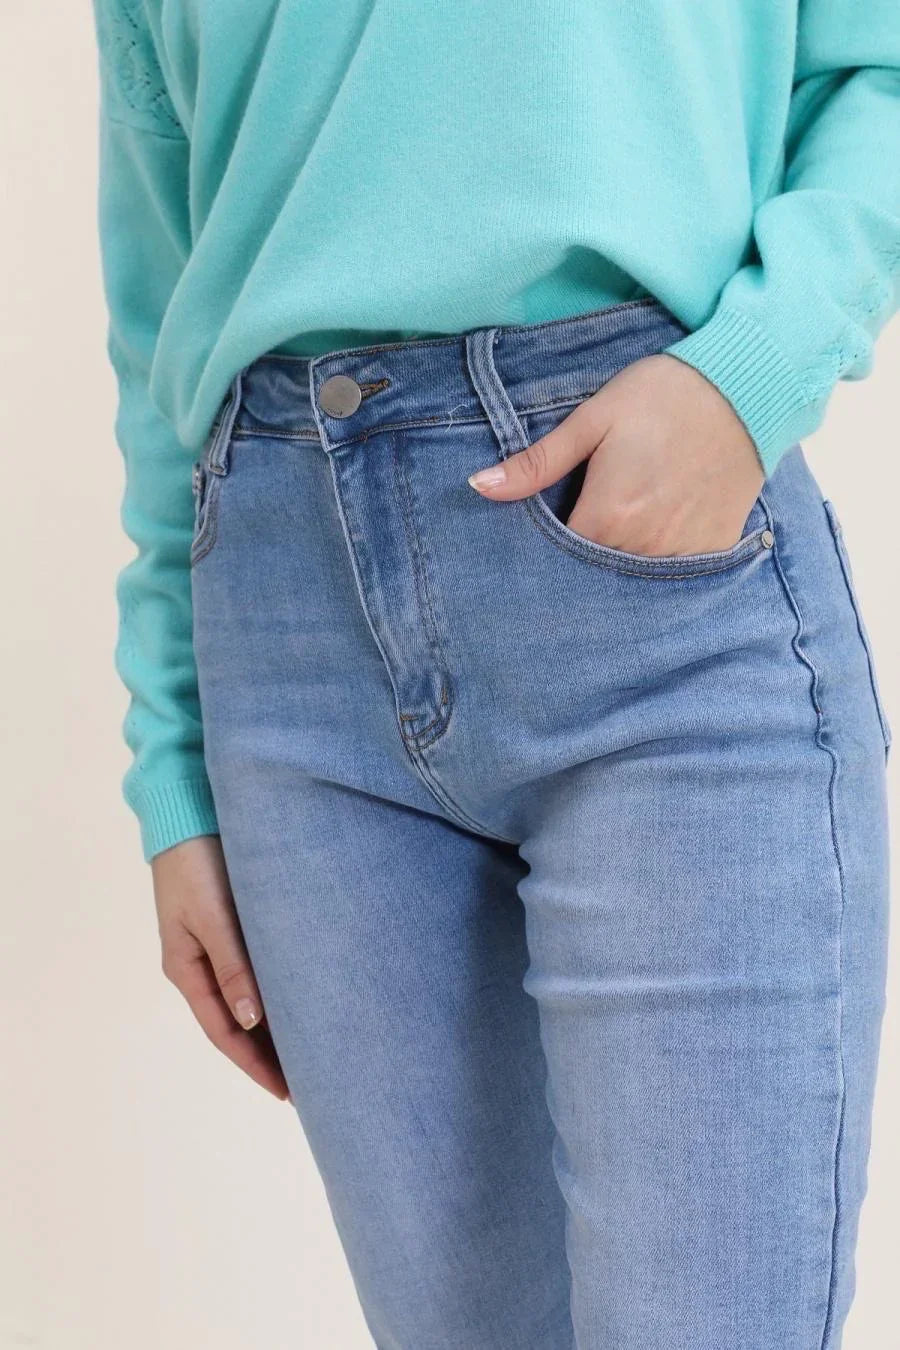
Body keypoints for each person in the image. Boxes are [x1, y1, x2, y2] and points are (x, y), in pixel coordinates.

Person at [91, 2, 898, 1346]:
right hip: (284, 629)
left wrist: (752, 373)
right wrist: (174, 765)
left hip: (653, 580)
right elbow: (159, 305)